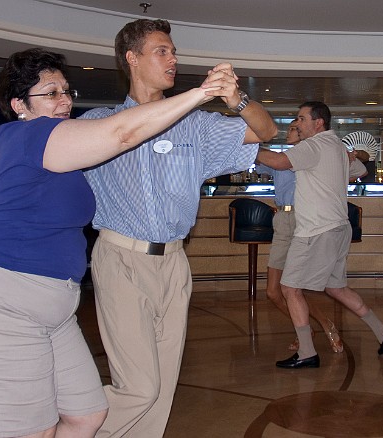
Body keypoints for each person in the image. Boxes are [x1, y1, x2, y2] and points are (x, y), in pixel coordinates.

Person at [0, 47, 224, 438]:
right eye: (50, 93)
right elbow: (121, 133)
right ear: (19, 105)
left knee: (87, 416)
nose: (65, 100)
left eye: (66, 91)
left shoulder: (64, 152)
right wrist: (201, 93)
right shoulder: (22, 136)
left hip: (53, 308)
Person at [81, 19, 277, 438]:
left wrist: (236, 98)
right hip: (121, 259)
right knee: (139, 387)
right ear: (132, 59)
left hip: (173, 262)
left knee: (163, 387)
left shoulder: (197, 126)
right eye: (162, 51)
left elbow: (267, 130)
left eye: (173, 51)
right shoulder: (100, 123)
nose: (173, 59)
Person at [255, 101, 383, 369]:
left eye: (301, 118)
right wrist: (353, 157)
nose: (296, 123)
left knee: (289, 288)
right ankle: (382, 331)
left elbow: (278, 161)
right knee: (336, 288)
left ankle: (307, 352)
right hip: (338, 228)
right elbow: (360, 170)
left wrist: (248, 147)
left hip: (316, 230)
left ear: (318, 122)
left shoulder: (314, 145)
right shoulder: (336, 147)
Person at [255, 119, 344, 354]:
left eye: (296, 127)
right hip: (283, 221)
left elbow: (358, 163)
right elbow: (257, 162)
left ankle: (317, 328)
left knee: (295, 288)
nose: (291, 131)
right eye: (292, 127)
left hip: (306, 220)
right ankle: (314, 327)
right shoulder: (280, 159)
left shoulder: (316, 153)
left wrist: (357, 155)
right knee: (273, 292)